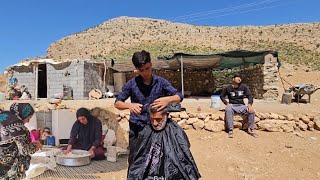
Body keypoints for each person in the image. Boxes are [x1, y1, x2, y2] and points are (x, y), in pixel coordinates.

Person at [127, 106, 201, 179]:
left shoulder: (175, 131)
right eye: (152, 119)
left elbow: (184, 152)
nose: (155, 123)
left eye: (158, 119)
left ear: (166, 115)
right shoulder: (146, 131)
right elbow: (139, 158)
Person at [0, 103, 41, 179]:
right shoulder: (18, 127)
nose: (28, 121)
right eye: (28, 118)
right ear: (23, 115)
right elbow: (24, 150)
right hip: (8, 169)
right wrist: (36, 145)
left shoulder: (3, 119)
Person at [220, 74, 257, 138]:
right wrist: (226, 103)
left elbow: (250, 96)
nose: (239, 79)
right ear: (233, 79)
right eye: (237, 77)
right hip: (232, 105)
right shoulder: (227, 88)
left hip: (241, 105)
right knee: (228, 109)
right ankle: (230, 130)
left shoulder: (244, 87)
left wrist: (249, 105)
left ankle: (250, 129)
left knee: (252, 111)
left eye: (240, 78)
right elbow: (222, 96)